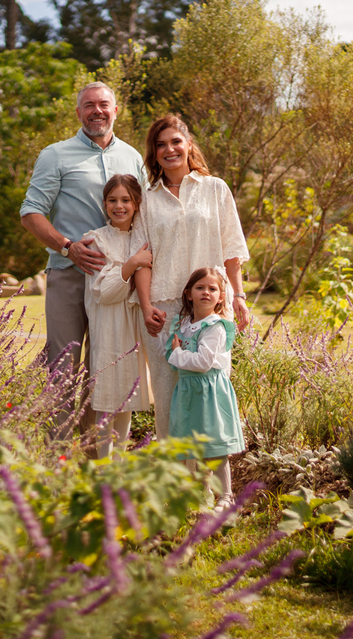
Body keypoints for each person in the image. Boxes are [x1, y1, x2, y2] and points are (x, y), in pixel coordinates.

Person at [20, 83, 146, 441]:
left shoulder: (133, 157)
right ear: (78, 112)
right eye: (89, 105)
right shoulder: (56, 155)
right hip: (70, 277)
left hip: (118, 284)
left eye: (104, 104)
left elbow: (146, 215)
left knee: (106, 368)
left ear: (116, 110)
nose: (97, 111)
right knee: (62, 368)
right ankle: (57, 457)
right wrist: (66, 247)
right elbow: (30, 212)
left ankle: (94, 459)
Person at [133, 114, 250, 440]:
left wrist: (239, 296)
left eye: (176, 141)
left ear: (188, 145)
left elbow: (232, 249)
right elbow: (142, 261)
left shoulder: (215, 188)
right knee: (168, 398)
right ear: (154, 152)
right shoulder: (147, 198)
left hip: (211, 309)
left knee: (209, 393)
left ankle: (211, 471)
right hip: (165, 311)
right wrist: (146, 307)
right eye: (161, 145)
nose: (169, 149)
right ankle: (173, 471)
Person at [82, 174, 154, 458]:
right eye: (112, 200)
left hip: (133, 327)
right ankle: (103, 467)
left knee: (126, 398)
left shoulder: (143, 238)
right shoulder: (96, 240)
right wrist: (133, 263)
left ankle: (119, 467)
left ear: (137, 203)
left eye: (126, 200)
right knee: (107, 399)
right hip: (108, 325)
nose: (119, 206)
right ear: (104, 204)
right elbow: (105, 291)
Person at [165, 267, 244, 511]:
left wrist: (178, 353)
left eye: (212, 289)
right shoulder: (183, 325)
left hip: (210, 391)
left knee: (214, 445)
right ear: (189, 294)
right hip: (187, 391)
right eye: (200, 288)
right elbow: (170, 354)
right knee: (189, 443)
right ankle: (194, 494)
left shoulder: (215, 327)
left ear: (221, 297)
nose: (206, 292)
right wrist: (175, 353)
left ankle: (226, 496)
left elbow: (202, 363)